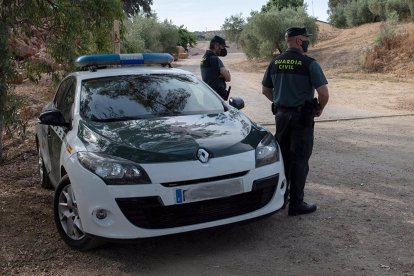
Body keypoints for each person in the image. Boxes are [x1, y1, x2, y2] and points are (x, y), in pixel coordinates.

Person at [261, 27, 329, 216]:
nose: (307, 42)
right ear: (299, 41)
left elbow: (266, 91)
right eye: (306, 39)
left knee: (284, 158)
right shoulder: (309, 63)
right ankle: (296, 204)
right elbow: (323, 93)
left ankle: (281, 200)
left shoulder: (275, 63)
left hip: (281, 117)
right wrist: (319, 109)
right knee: (299, 160)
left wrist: (280, 101)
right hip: (302, 119)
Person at [200, 35, 231, 100]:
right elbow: (228, 78)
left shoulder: (204, 58)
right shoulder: (215, 59)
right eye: (222, 47)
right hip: (216, 97)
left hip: (207, 95)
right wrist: (225, 74)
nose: (223, 50)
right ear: (216, 46)